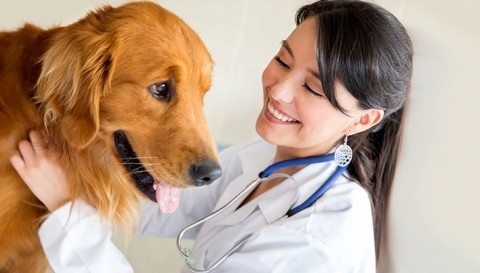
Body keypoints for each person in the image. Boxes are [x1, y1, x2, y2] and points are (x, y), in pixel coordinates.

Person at [9, 0, 413, 272]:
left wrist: (66, 207)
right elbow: (176, 206)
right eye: (282, 60)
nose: (278, 90)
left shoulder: (314, 248)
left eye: (312, 88)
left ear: (362, 120)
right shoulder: (267, 157)